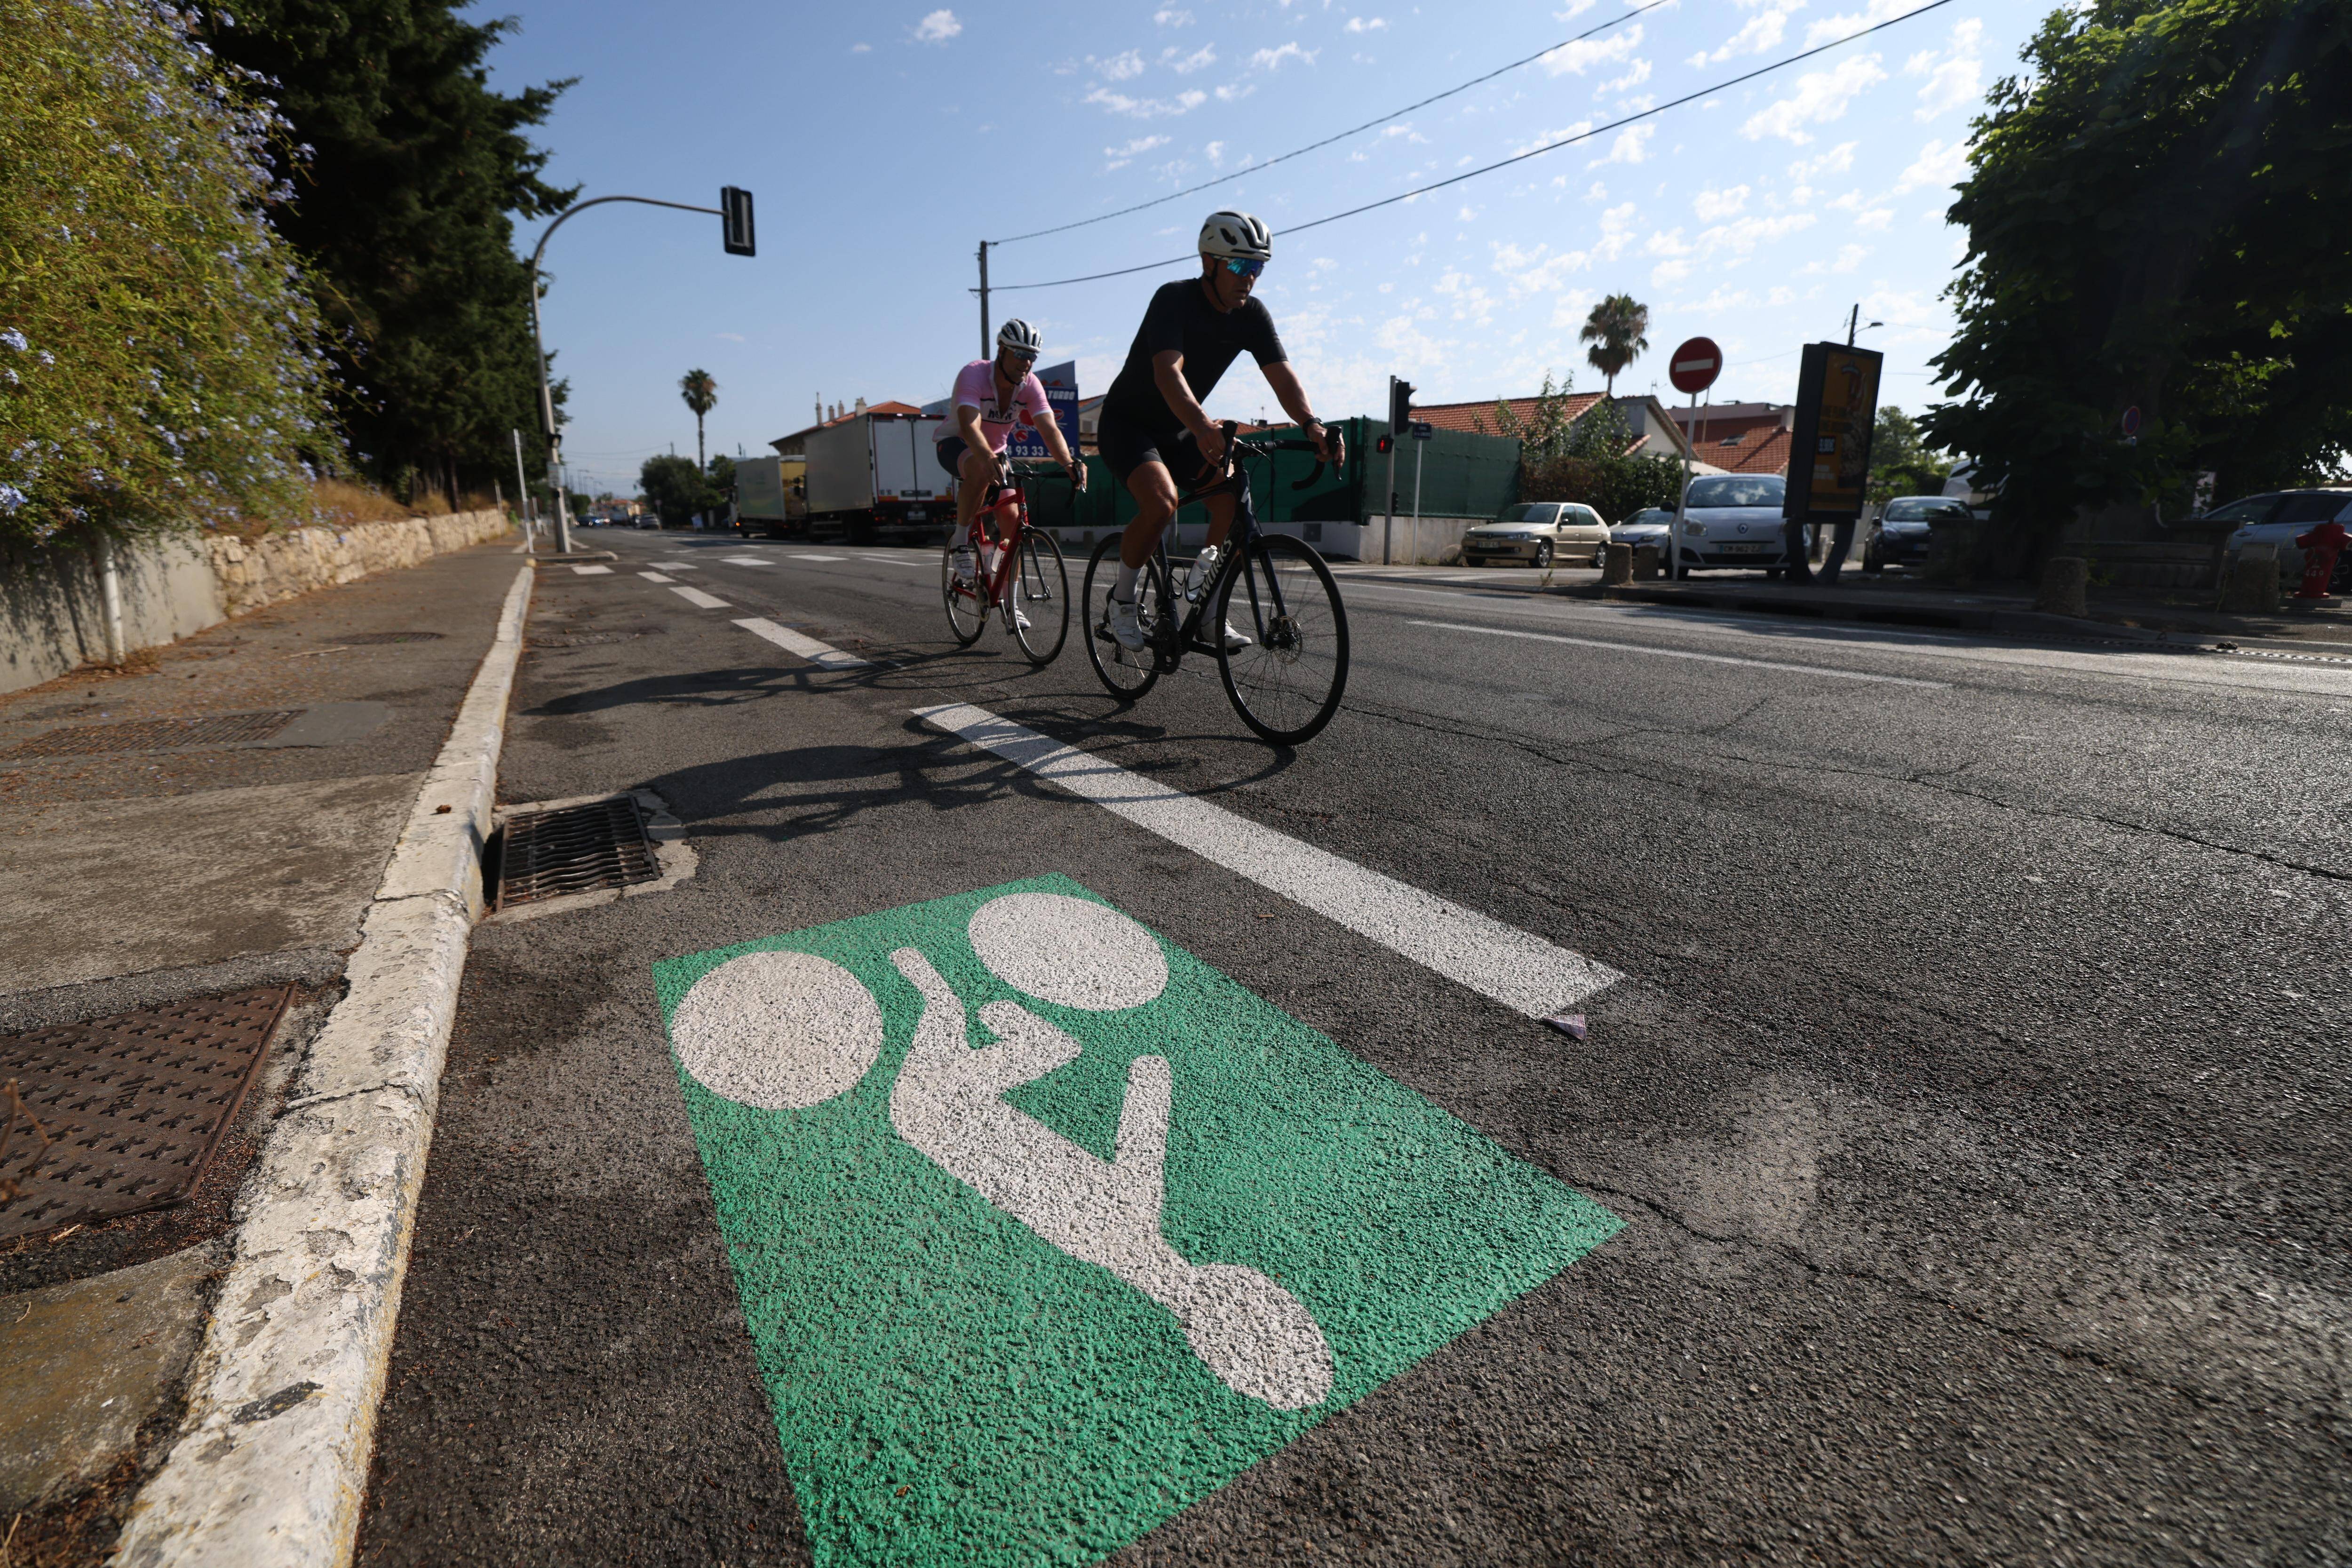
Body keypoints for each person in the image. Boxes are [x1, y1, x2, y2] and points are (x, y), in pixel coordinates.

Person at [1095, 210, 1345, 651]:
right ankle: (1122, 602)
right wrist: (1203, 425)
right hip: (1127, 424)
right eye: (1239, 266)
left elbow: (1283, 378)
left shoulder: (1252, 315)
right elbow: (1168, 373)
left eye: (1257, 268)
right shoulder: (1173, 299)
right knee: (1161, 504)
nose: (1249, 278)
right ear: (1209, 262)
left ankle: (1208, 614)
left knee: (1231, 500)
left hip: (1178, 428)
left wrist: (1312, 425)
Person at [938, 318, 1087, 626]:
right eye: (1020, 354)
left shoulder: (1030, 384)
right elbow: (969, 425)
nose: (1027, 362)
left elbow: (1049, 430)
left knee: (1013, 524)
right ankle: (962, 540)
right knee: (981, 467)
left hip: (996, 453)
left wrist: (1069, 463)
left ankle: (1009, 601)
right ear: (1002, 350)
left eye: (1032, 356)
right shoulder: (975, 374)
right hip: (957, 444)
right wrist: (986, 456)